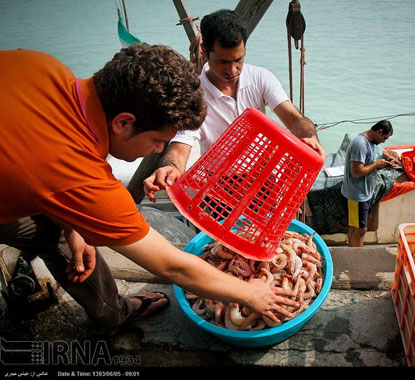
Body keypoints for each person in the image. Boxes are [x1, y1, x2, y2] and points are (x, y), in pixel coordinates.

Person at [0, 44, 298, 334]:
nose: (157, 149)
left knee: (56, 232)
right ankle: (113, 318)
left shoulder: (39, 64)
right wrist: (250, 294)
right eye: (158, 140)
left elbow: (37, 165)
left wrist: (72, 224)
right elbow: (171, 267)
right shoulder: (81, 176)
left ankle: (103, 301)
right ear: (124, 122)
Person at [144, 9, 326, 202]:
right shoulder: (194, 96)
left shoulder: (260, 78)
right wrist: (171, 167)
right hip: (219, 183)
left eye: (238, 59)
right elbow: (180, 147)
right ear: (204, 51)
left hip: (265, 176)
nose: (232, 70)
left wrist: (309, 137)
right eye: (222, 62)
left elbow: (293, 118)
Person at [340, 120, 395, 247]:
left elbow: (370, 162)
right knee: (360, 230)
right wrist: (377, 164)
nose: (384, 141)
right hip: (356, 196)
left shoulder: (371, 142)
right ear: (379, 132)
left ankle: (352, 251)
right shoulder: (360, 144)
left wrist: (384, 162)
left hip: (364, 193)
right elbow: (356, 172)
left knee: (355, 227)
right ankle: (356, 257)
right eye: (384, 138)